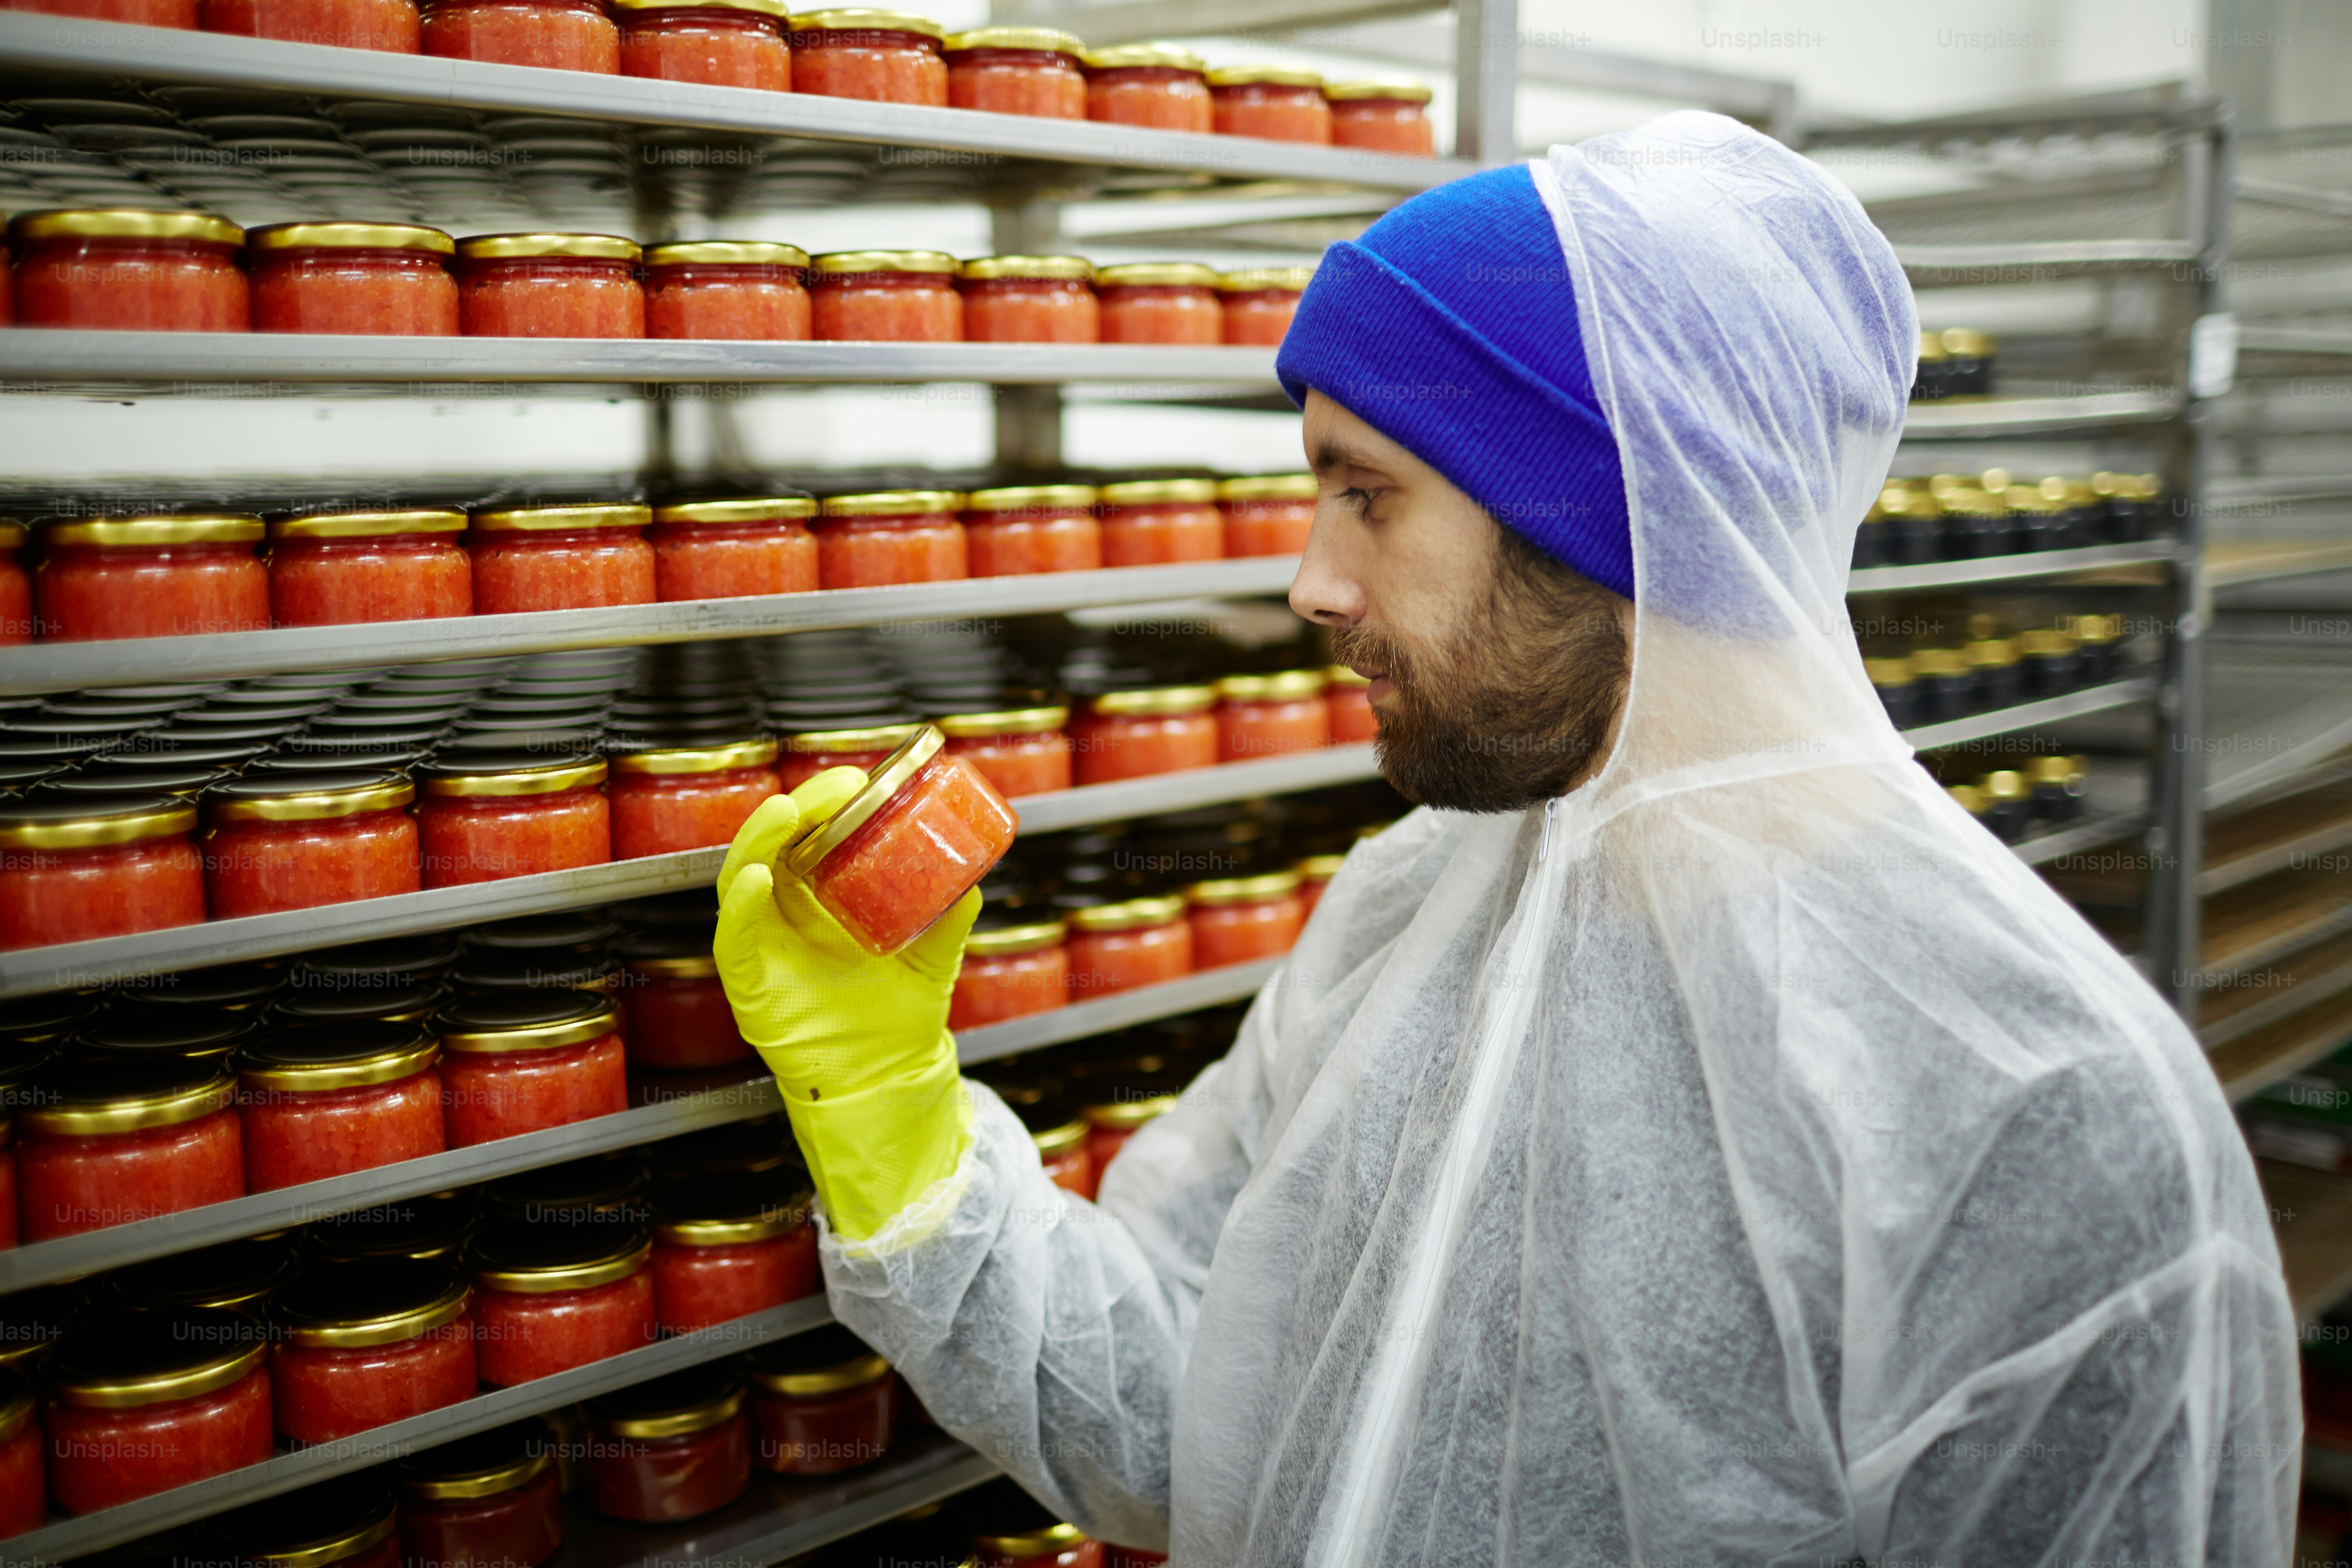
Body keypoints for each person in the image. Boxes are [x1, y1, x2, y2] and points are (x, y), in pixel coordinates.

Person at [716, 111, 2299, 1564]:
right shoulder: (1417, 911)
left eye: (1370, 494)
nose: (1311, 584)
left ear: (1596, 505)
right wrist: (897, 1125)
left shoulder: (2040, 1101)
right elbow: (1184, 1419)